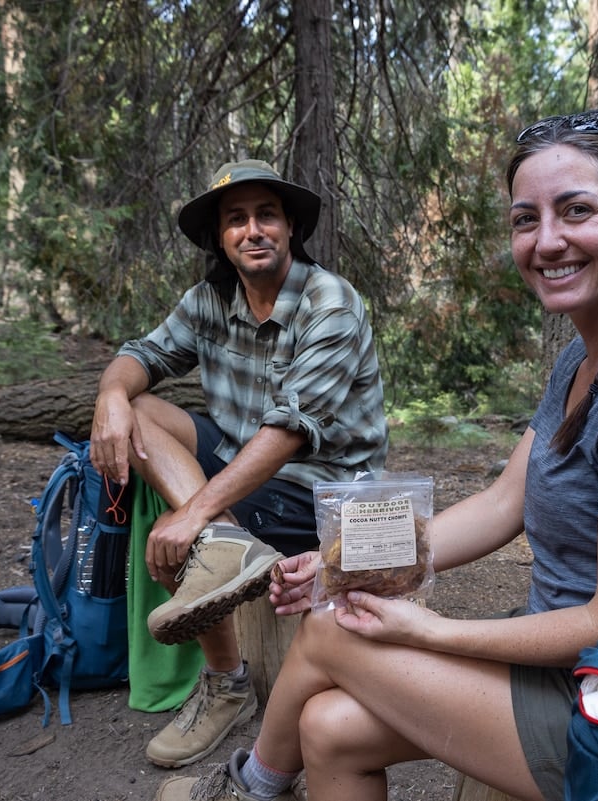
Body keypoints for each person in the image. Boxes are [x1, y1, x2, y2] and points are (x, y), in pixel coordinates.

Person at [157, 109, 598, 801]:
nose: (547, 240)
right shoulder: (584, 361)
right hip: (576, 670)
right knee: (330, 725)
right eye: (527, 219)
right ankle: (260, 781)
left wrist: (435, 630)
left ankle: (248, 788)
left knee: (329, 631)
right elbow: (503, 503)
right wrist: (345, 562)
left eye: (576, 210)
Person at [90, 159, 388, 770]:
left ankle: (226, 673)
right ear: (221, 239)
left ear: (289, 229)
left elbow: (288, 433)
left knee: (179, 536)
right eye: (236, 219)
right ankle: (225, 558)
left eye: (266, 215)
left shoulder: (329, 301)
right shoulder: (209, 300)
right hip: (242, 471)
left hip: (327, 491)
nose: (252, 230)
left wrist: (193, 514)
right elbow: (141, 354)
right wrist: (110, 397)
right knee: (143, 409)